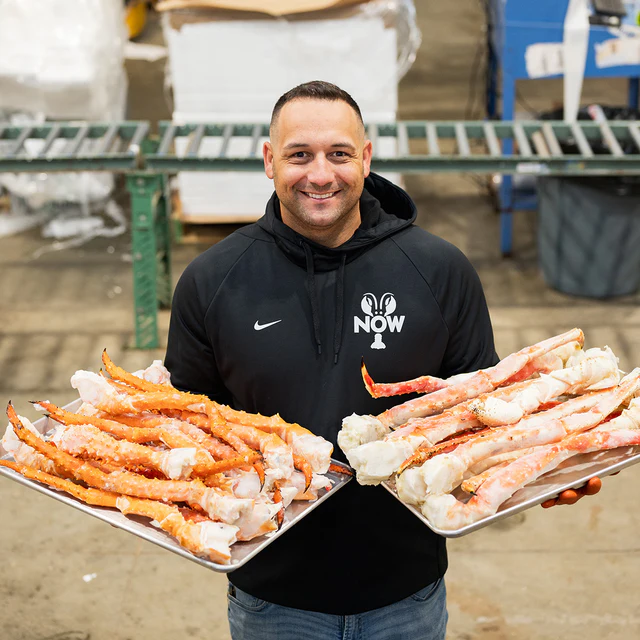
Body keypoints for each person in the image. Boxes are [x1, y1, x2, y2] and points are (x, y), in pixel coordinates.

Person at [164, 81, 601, 639]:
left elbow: (489, 413)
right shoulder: (212, 281)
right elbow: (185, 428)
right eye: (299, 155)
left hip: (406, 595)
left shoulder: (439, 270)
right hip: (271, 599)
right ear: (269, 161)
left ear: (366, 159)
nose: (320, 174)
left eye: (339, 154)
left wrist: (554, 465)